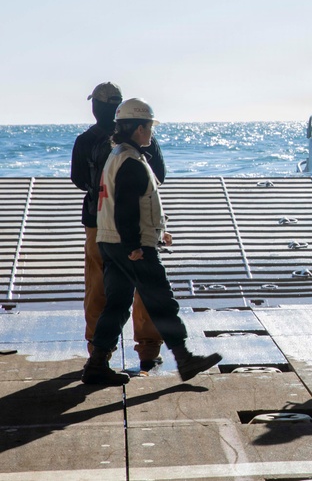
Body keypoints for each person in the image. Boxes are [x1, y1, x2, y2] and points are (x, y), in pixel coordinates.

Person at [83, 99, 221, 385]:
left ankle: (96, 364)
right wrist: (136, 245)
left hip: (111, 240)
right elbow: (126, 208)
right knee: (161, 300)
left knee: (118, 303)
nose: (151, 133)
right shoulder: (131, 161)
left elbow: (133, 204)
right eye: (148, 128)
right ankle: (184, 357)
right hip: (131, 246)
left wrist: (158, 232)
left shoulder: (118, 154)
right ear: (137, 128)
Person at [70, 82, 165, 372]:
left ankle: (98, 352)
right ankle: (148, 351)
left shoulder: (86, 140)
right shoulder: (139, 137)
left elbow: (77, 179)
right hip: (137, 224)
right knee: (145, 288)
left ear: (96, 107)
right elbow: (159, 174)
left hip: (98, 224)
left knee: (100, 289)